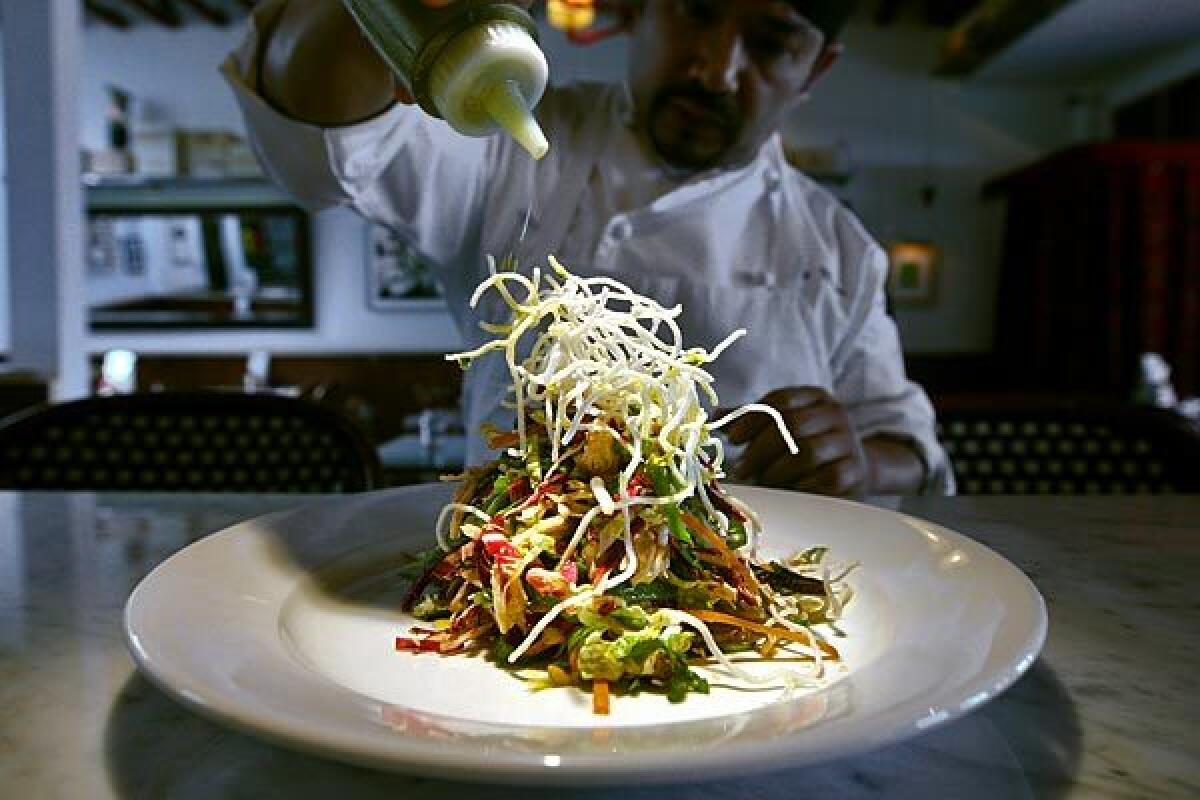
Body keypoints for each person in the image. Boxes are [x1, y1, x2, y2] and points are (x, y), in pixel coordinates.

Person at [222, 0, 954, 496]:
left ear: (816, 69)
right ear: (641, 9)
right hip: (515, 583)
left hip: (758, 618)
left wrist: (857, 457)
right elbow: (329, 144)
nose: (714, 69)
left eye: (770, 44)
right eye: (696, 11)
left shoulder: (839, 247)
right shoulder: (511, 146)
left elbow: (910, 442)